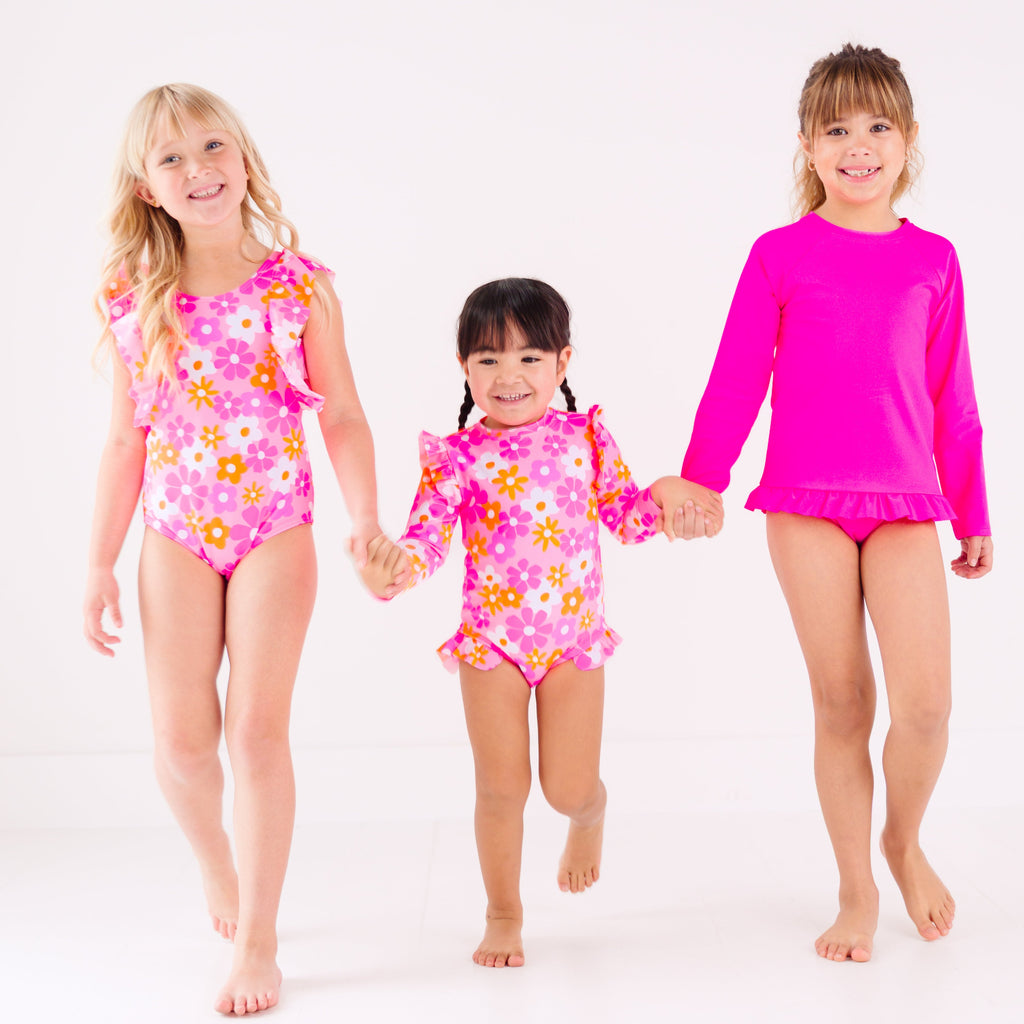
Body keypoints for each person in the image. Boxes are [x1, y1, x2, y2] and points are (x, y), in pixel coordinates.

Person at [663, 44, 993, 963]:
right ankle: (855, 888)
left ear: (908, 138)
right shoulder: (780, 255)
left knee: (925, 708)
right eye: (837, 129)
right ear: (808, 146)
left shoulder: (934, 259)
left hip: (906, 503)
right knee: (843, 701)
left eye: (877, 126)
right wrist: (701, 480)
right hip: (804, 502)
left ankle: (903, 841)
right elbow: (737, 380)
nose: (859, 146)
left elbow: (953, 397)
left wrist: (972, 511)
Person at [82, 84, 385, 1015]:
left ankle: (259, 938)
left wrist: (364, 520)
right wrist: (98, 562)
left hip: (274, 529)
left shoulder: (299, 286)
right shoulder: (134, 297)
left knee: (255, 731)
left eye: (213, 147)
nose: (199, 170)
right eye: (172, 159)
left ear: (244, 160)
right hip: (174, 533)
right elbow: (125, 440)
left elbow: (342, 416)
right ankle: (217, 860)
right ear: (147, 188)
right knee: (183, 746)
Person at [359, 278, 721, 967]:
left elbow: (626, 517)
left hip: (571, 642)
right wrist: (395, 569)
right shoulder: (455, 457)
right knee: (501, 789)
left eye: (530, 357)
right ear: (465, 368)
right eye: (489, 359)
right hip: (490, 643)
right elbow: (426, 540)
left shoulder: (585, 438)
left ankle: (591, 815)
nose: (510, 376)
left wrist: (667, 499)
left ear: (562, 362)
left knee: (567, 788)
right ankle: (503, 911)